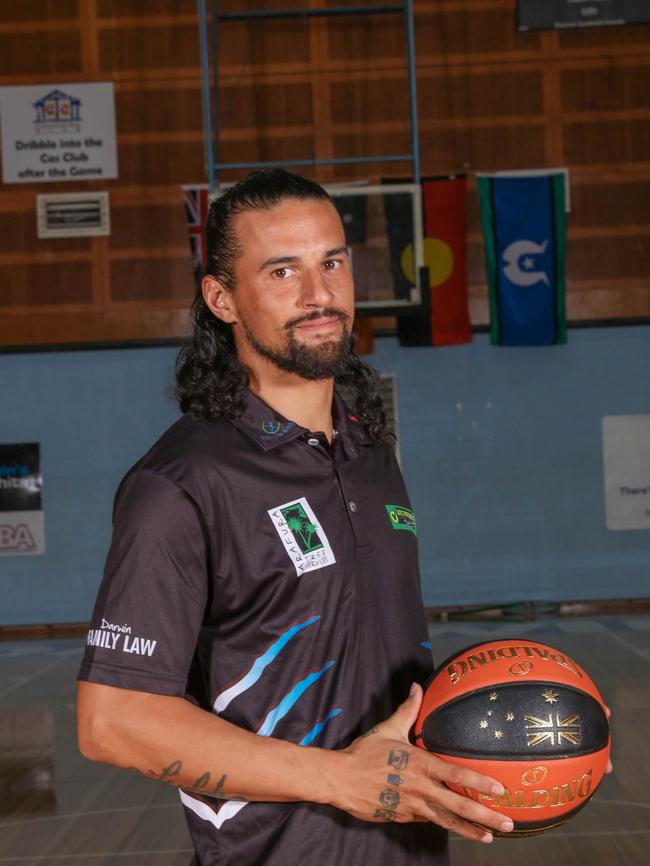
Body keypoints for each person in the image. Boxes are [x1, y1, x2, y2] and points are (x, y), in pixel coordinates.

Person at [76, 169, 514, 865]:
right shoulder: (183, 482)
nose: (320, 294)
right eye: (282, 271)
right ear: (222, 299)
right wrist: (339, 780)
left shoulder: (368, 449)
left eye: (332, 262)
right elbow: (112, 722)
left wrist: (537, 721)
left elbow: (378, 669)